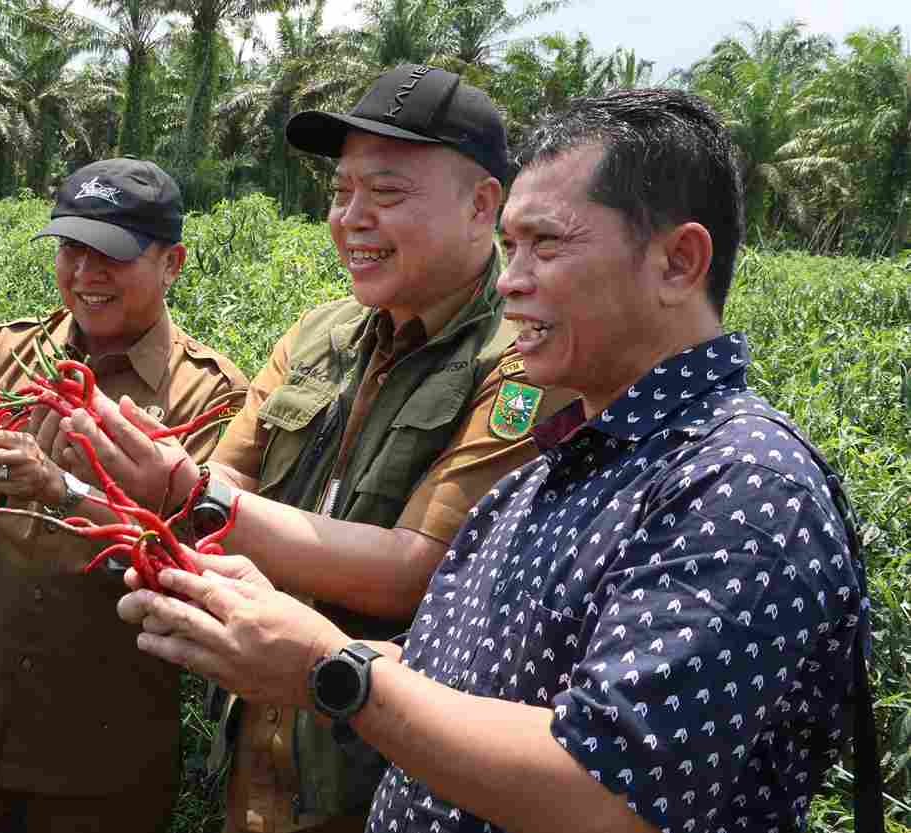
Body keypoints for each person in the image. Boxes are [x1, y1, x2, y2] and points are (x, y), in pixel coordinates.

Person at [116, 89, 876, 833]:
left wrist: (328, 670)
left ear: (678, 262)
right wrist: (287, 638)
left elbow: (604, 794)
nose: (510, 280)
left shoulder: (742, 486)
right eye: (513, 248)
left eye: (547, 245)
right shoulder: (564, 466)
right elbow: (456, 667)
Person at [54, 65, 571, 833]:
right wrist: (153, 486)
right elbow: (231, 472)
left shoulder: (526, 364)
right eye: (341, 191)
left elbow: (413, 565)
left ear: (481, 205)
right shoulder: (319, 334)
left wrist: (193, 494)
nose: (352, 218)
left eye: (386, 193)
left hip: (389, 775)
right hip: (259, 747)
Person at [0, 158, 249, 833]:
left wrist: (64, 491)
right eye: (71, 249)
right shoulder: (4, 354)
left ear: (171, 263)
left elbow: (198, 564)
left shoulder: (211, 394)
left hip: (102, 758)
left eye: (111, 255)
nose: (85, 273)